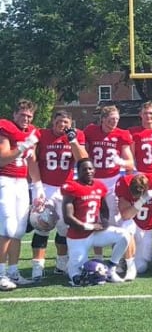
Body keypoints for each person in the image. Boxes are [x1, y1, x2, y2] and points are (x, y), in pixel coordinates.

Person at [29, 110, 88, 281]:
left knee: (65, 227)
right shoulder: (41, 134)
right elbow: (31, 159)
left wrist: (73, 141)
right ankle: (37, 267)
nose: (62, 125)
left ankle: (61, 264)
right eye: (59, 121)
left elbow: (83, 160)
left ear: (71, 124)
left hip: (65, 188)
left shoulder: (76, 136)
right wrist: (37, 184)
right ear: (53, 122)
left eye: (66, 122)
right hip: (45, 186)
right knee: (42, 225)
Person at [61, 158, 130, 286]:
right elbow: (67, 217)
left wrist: (104, 223)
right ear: (78, 171)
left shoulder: (99, 186)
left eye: (90, 168)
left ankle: (111, 268)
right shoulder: (72, 187)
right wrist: (89, 226)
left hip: (95, 233)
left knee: (124, 236)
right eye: (84, 169)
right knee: (76, 274)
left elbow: (104, 210)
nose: (88, 171)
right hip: (78, 236)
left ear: (94, 170)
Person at [0, 100, 39, 291]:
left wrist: (38, 186)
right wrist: (22, 147)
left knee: (19, 229)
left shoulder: (32, 132)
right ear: (15, 114)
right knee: (7, 227)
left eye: (29, 116)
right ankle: (1, 274)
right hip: (5, 180)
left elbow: (32, 161)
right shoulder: (5, 129)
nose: (26, 119)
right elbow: (2, 158)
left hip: (22, 183)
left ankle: (13, 271)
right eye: (22, 115)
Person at [84, 105, 135, 226]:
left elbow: (130, 163)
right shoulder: (91, 131)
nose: (114, 121)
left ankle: (116, 243)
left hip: (112, 181)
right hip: (93, 179)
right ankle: (97, 245)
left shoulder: (122, 134)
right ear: (103, 119)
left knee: (114, 218)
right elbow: (83, 153)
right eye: (111, 118)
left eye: (117, 119)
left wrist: (120, 162)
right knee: (92, 216)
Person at [116, 171, 152, 279]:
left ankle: (131, 259)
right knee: (126, 226)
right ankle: (126, 262)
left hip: (147, 228)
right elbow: (125, 215)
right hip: (133, 224)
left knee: (141, 267)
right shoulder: (124, 183)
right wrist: (141, 200)